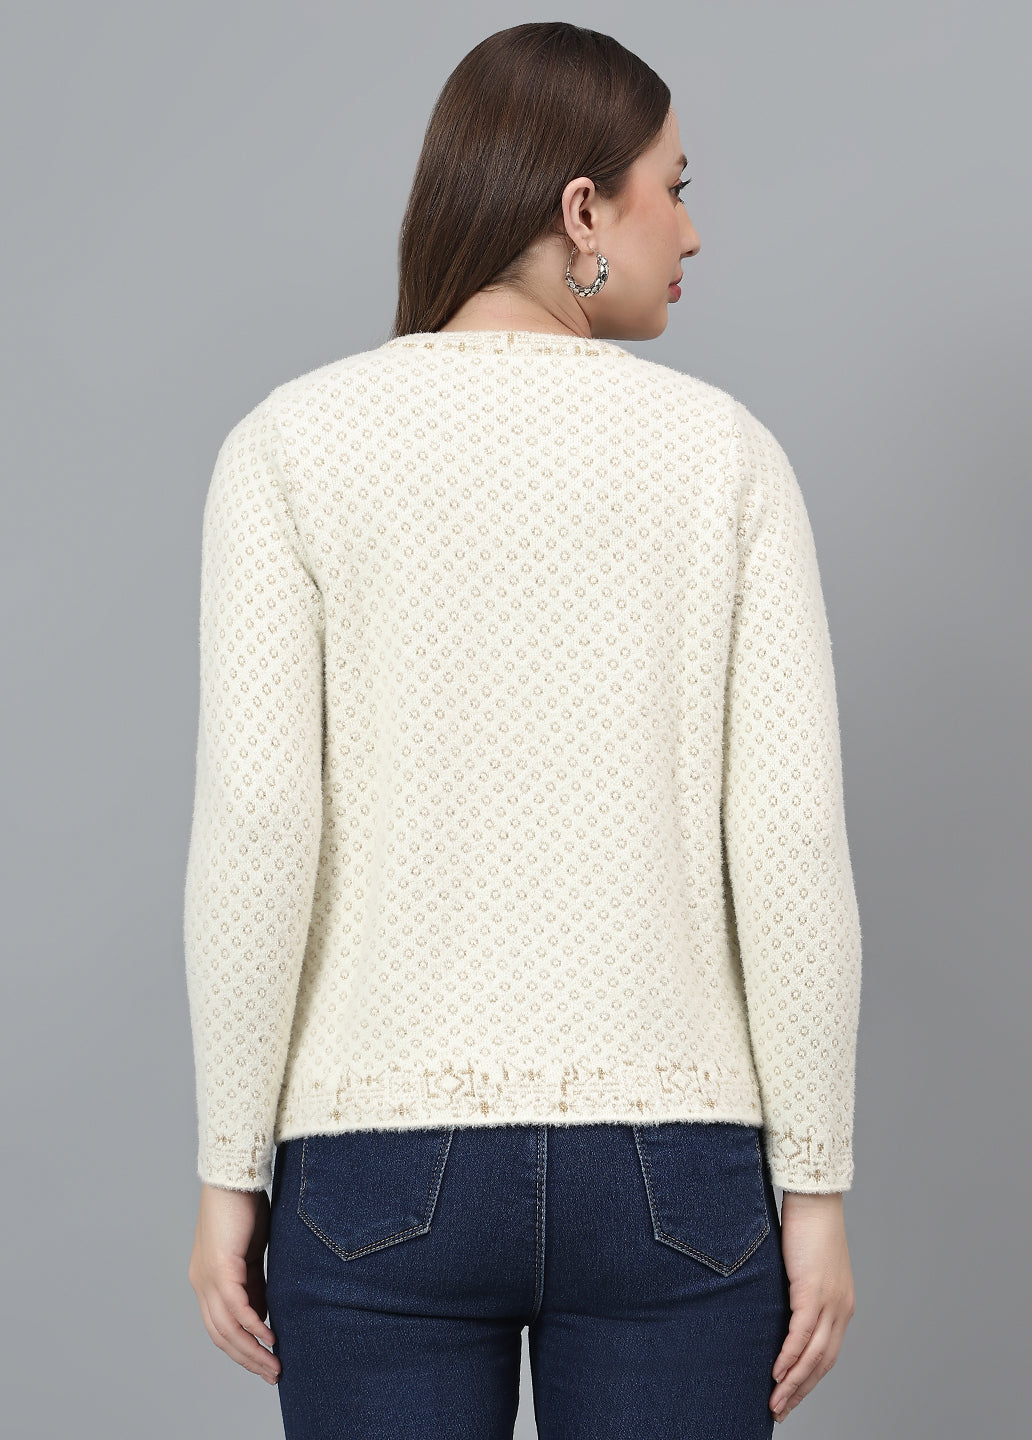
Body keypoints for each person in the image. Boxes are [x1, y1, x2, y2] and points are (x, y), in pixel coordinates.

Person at [185, 21, 862, 1438]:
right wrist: (815, 1189)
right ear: (583, 211)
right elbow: (789, 840)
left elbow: (260, 827)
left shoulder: (290, 448)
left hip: (374, 1160)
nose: (694, 230)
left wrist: (228, 1168)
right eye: (676, 187)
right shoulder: (728, 458)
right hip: (676, 1170)